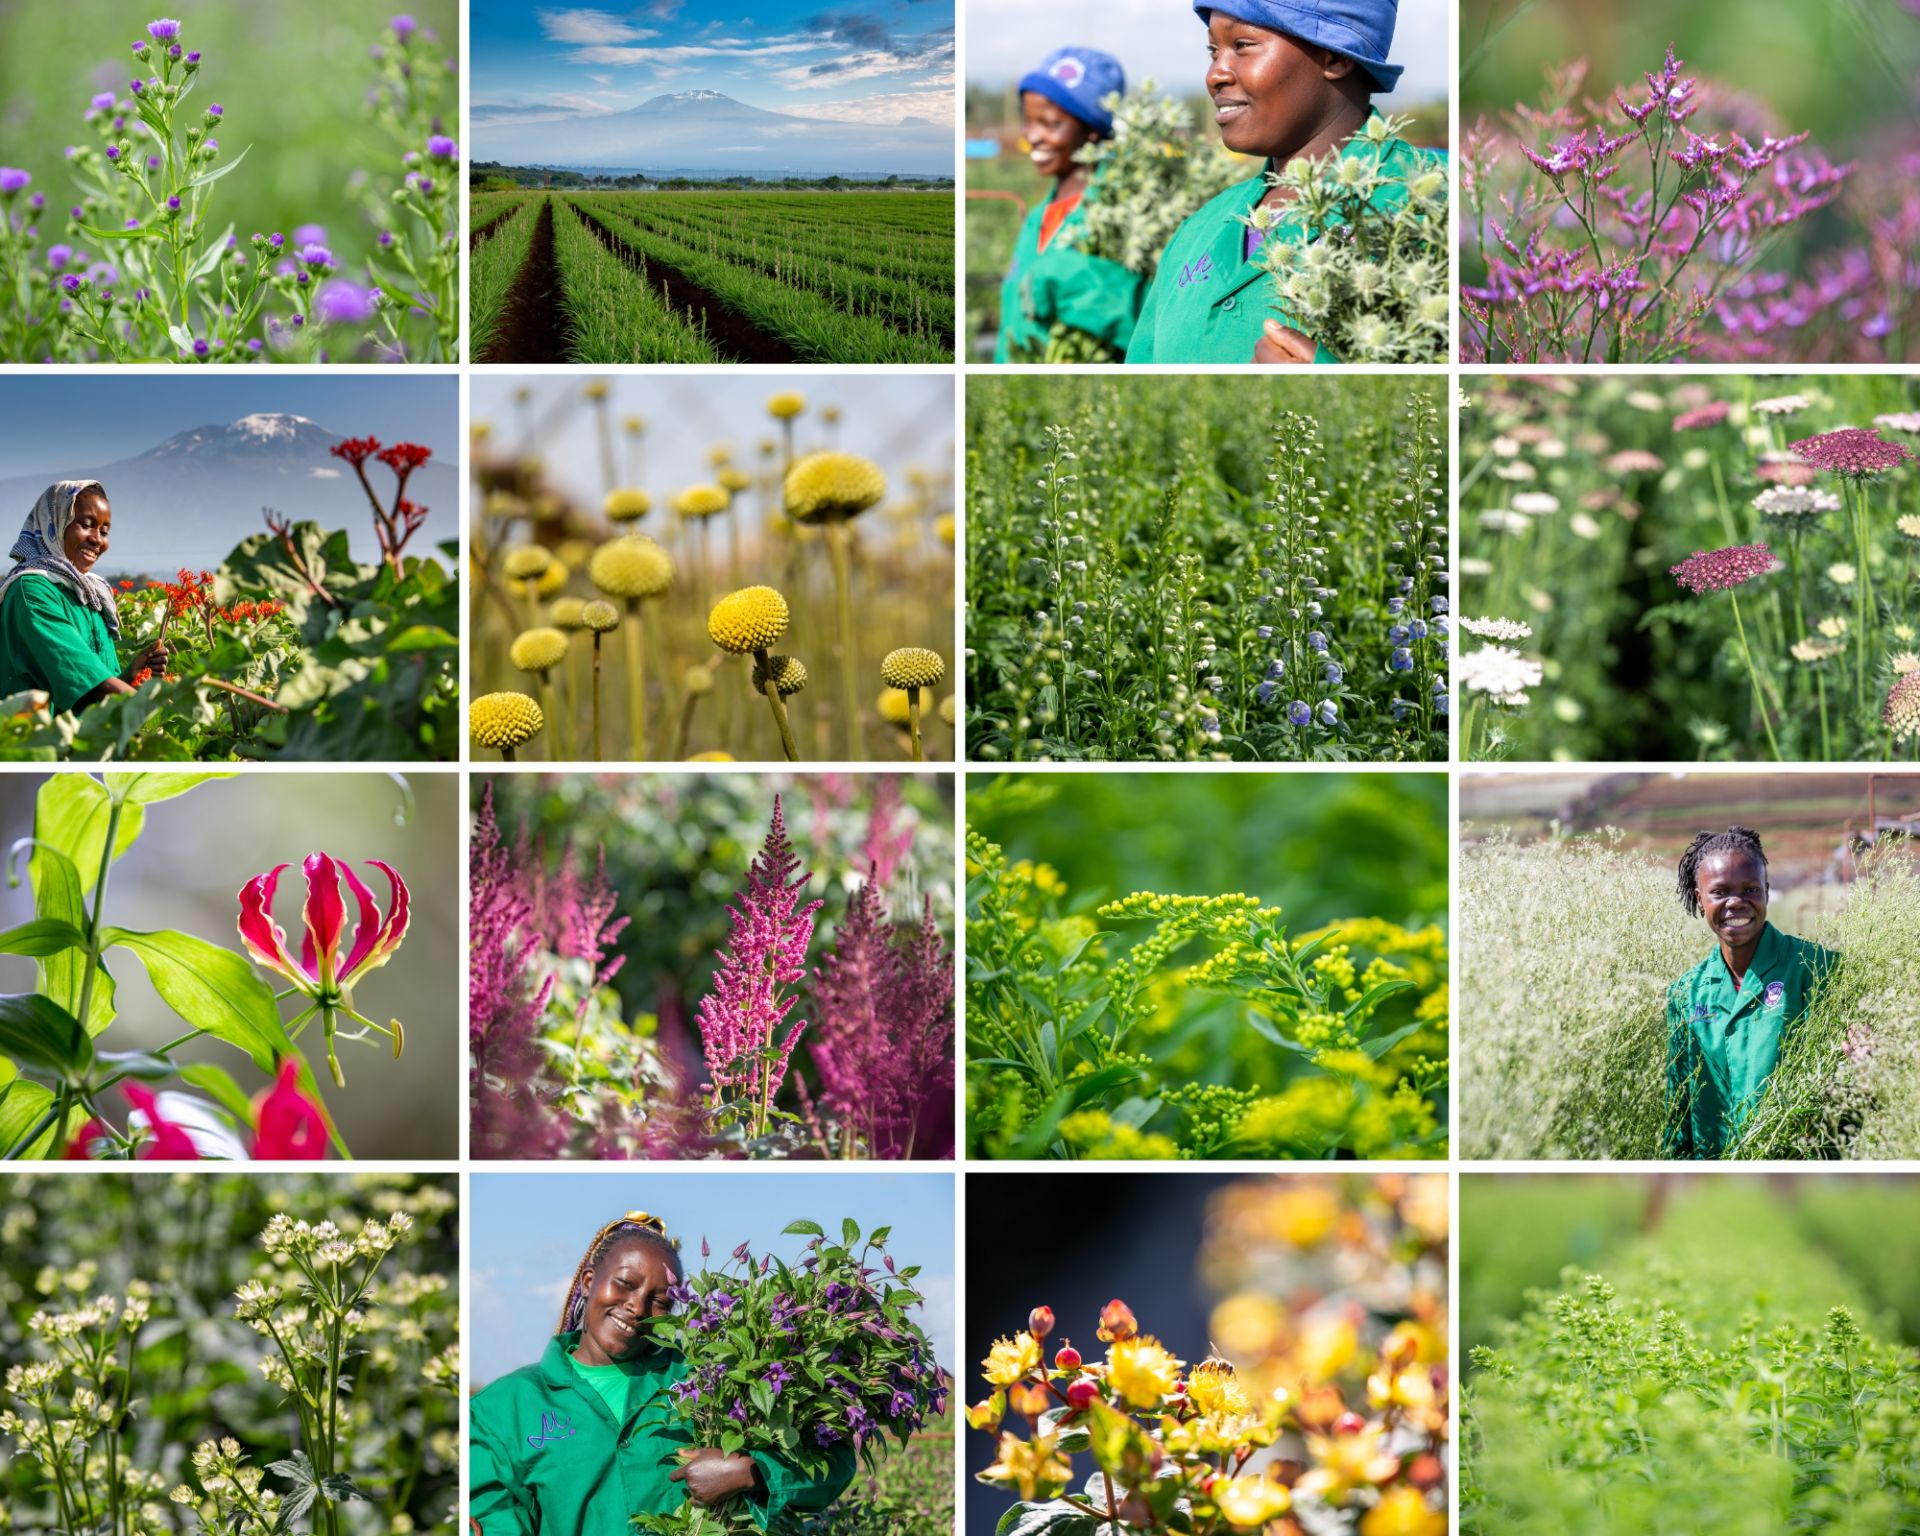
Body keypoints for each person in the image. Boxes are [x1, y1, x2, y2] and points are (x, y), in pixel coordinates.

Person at [469, 1212, 855, 1536]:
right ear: (590, 1282)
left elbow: (834, 1465)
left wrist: (749, 1471)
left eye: (660, 1301)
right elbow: (494, 1516)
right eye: (625, 1283)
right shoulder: (503, 1409)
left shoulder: (709, 1377)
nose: (637, 1307)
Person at [1125, 0, 1440, 364]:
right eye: (1213, 51)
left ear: (1337, 57)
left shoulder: (1428, 203)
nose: (1215, 74)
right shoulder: (1197, 231)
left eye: (1242, 45)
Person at [1664, 827, 1837, 1159]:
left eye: (1751, 889)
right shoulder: (1685, 992)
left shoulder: (1814, 966)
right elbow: (1679, 1110)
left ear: (1767, 893)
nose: (1736, 903)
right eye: (1720, 891)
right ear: (1700, 898)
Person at [994, 47, 1146, 361]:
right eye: (1028, 121)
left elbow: (1151, 323)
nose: (1031, 136)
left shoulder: (1124, 215)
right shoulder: (1037, 217)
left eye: (1049, 124)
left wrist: (1073, 279)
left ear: (1091, 130)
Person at [0, 480, 166, 712]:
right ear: (55, 524)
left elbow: (99, 684)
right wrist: (167, 707)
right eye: (87, 525)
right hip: (39, 741)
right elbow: (86, 678)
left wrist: (130, 675)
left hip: (87, 741)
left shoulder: (89, 592)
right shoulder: (31, 590)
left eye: (104, 531)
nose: (97, 539)